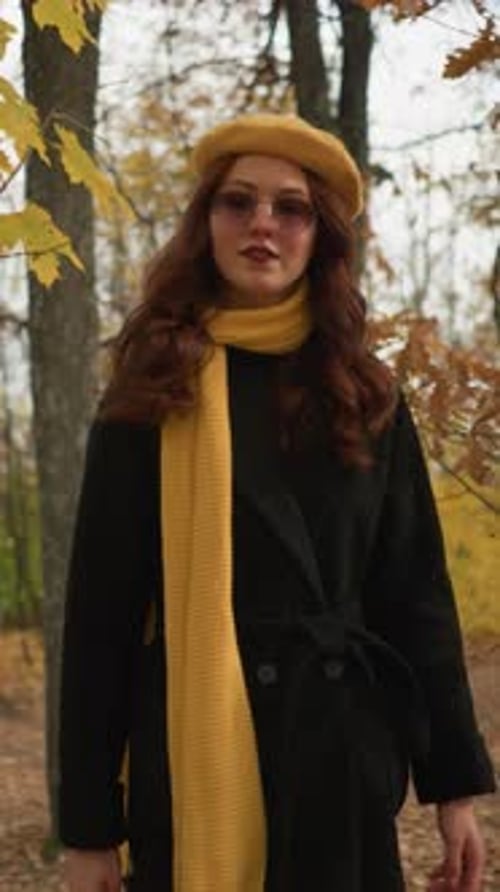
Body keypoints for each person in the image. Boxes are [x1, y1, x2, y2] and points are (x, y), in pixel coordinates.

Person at [58, 113, 495, 892]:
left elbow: (415, 596)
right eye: (238, 201)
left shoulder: (366, 394)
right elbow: (101, 622)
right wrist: (90, 828)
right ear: (208, 224)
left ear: (318, 236)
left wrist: (454, 787)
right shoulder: (149, 392)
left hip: (341, 758)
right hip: (195, 763)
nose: (263, 223)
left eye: (290, 208)